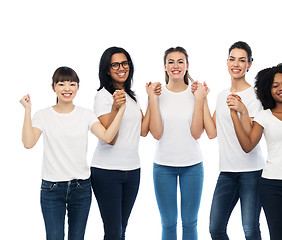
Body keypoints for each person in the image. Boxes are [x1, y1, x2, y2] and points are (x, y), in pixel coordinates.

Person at [19, 66, 125, 240]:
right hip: (52, 188)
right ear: (53, 87)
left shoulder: (86, 115)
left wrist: (120, 110)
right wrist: (27, 110)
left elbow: (107, 136)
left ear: (77, 87)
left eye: (72, 84)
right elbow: (28, 143)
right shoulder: (42, 115)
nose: (67, 89)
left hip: (81, 187)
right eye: (61, 84)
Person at [228, 63, 282, 240]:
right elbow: (248, 146)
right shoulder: (263, 116)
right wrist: (235, 116)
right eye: (275, 86)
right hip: (271, 185)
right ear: (268, 90)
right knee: (277, 237)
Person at [197, 41, 265, 240]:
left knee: (250, 229)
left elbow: (250, 137)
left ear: (249, 65)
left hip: (252, 173)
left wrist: (241, 109)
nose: (236, 64)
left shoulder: (255, 97)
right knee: (216, 229)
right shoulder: (221, 96)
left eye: (242, 60)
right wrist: (202, 99)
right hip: (227, 172)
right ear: (227, 62)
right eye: (233, 59)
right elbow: (211, 131)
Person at [91, 46, 159, 240]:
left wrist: (151, 98)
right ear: (107, 69)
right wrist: (115, 107)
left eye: (125, 63)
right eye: (115, 64)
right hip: (106, 171)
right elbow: (109, 137)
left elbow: (143, 131)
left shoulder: (131, 95)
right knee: (113, 232)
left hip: (132, 170)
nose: (121, 68)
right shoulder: (103, 96)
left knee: (122, 229)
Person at [147, 46, 208, 240]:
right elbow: (156, 133)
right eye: (171, 62)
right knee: (169, 223)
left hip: (192, 166)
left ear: (187, 66)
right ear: (164, 66)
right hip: (163, 167)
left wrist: (200, 99)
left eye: (180, 61)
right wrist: (152, 99)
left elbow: (197, 133)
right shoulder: (157, 94)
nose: (176, 66)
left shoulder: (197, 94)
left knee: (190, 223)